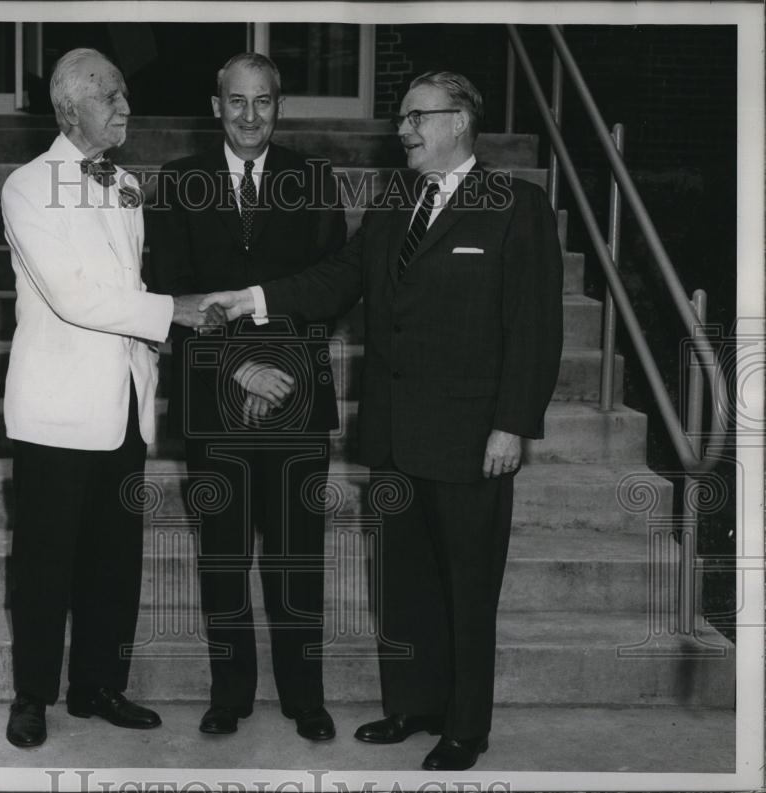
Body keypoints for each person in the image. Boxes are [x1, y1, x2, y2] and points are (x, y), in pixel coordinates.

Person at [200, 71, 564, 770]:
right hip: (396, 433)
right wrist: (255, 299)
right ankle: (412, 705)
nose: (403, 129)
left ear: (460, 122)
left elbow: (535, 325)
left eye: (417, 117)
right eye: (401, 117)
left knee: (467, 588)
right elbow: (338, 278)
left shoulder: (516, 205)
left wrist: (513, 423)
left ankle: (465, 726)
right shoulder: (396, 202)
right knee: (404, 584)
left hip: (471, 436)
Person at [0, 47, 218, 748]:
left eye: (125, 95)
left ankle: (98, 685)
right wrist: (171, 312)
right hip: (56, 412)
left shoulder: (125, 185)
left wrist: (159, 335)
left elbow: (128, 282)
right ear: (70, 110)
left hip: (124, 405)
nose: (127, 107)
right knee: (44, 563)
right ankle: (33, 694)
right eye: (112, 97)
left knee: (113, 562)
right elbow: (73, 295)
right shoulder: (27, 187)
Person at [146, 53, 347, 740]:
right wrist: (240, 370)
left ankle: (305, 697)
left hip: (296, 397)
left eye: (263, 101)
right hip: (213, 398)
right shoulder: (177, 184)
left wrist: (275, 373)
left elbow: (331, 287)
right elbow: (171, 294)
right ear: (216, 107)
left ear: (279, 106)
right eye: (237, 101)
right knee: (224, 556)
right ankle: (229, 693)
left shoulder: (314, 179)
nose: (250, 115)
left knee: (298, 555)